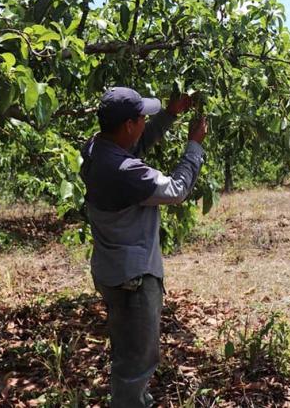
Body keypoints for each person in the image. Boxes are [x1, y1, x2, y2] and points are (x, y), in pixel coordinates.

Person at [79, 86, 206, 408]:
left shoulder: (95, 148)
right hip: (134, 279)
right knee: (137, 362)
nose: (143, 125)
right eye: (141, 120)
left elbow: (134, 148)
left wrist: (169, 115)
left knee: (127, 352)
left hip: (112, 271)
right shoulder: (124, 172)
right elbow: (176, 190)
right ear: (128, 125)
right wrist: (194, 146)